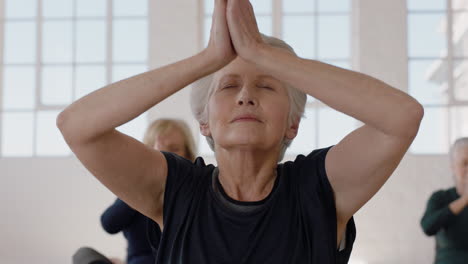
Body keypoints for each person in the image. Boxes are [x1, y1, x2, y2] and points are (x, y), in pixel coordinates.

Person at [58, 0, 424, 263]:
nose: (246, 96)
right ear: (204, 123)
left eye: (266, 86)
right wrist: (209, 59)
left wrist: (261, 53)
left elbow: (402, 116)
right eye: (229, 86)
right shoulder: (176, 189)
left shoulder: (318, 187)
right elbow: (77, 126)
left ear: (292, 123)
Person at [73, 119, 196, 264]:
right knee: (83, 255)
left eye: (174, 149)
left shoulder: (195, 190)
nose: (166, 157)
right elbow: (109, 224)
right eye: (158, 151)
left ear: (188, 154)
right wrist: (141, 189)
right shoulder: (136, 186)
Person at [421, 138, 468, 264]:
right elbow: (428, 227)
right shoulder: (440, 197)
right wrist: (464, 200)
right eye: (465, 163)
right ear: (453, 166)